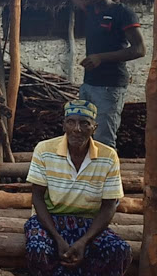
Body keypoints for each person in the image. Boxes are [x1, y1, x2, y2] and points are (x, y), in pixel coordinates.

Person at [24, 100, 132, 276]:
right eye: (71, 122)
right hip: (50, 220)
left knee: (119, 250)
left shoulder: (108, 156)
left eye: (84, 123)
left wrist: (84, 241)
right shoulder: (44, 150)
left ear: (94, 128)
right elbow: (37, 197)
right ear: (64, 125)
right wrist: (58, 239)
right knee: (38, 250)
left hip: (89, 223)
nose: (77, 129)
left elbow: (109, 204)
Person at [64, 0, 146, 148]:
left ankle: (107, 179)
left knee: (104, 138)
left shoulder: (122, 13)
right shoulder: (92, 9)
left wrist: (101, 57)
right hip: (89, 84)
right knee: (82, 134)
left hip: (110, 86)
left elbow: (139, 49)